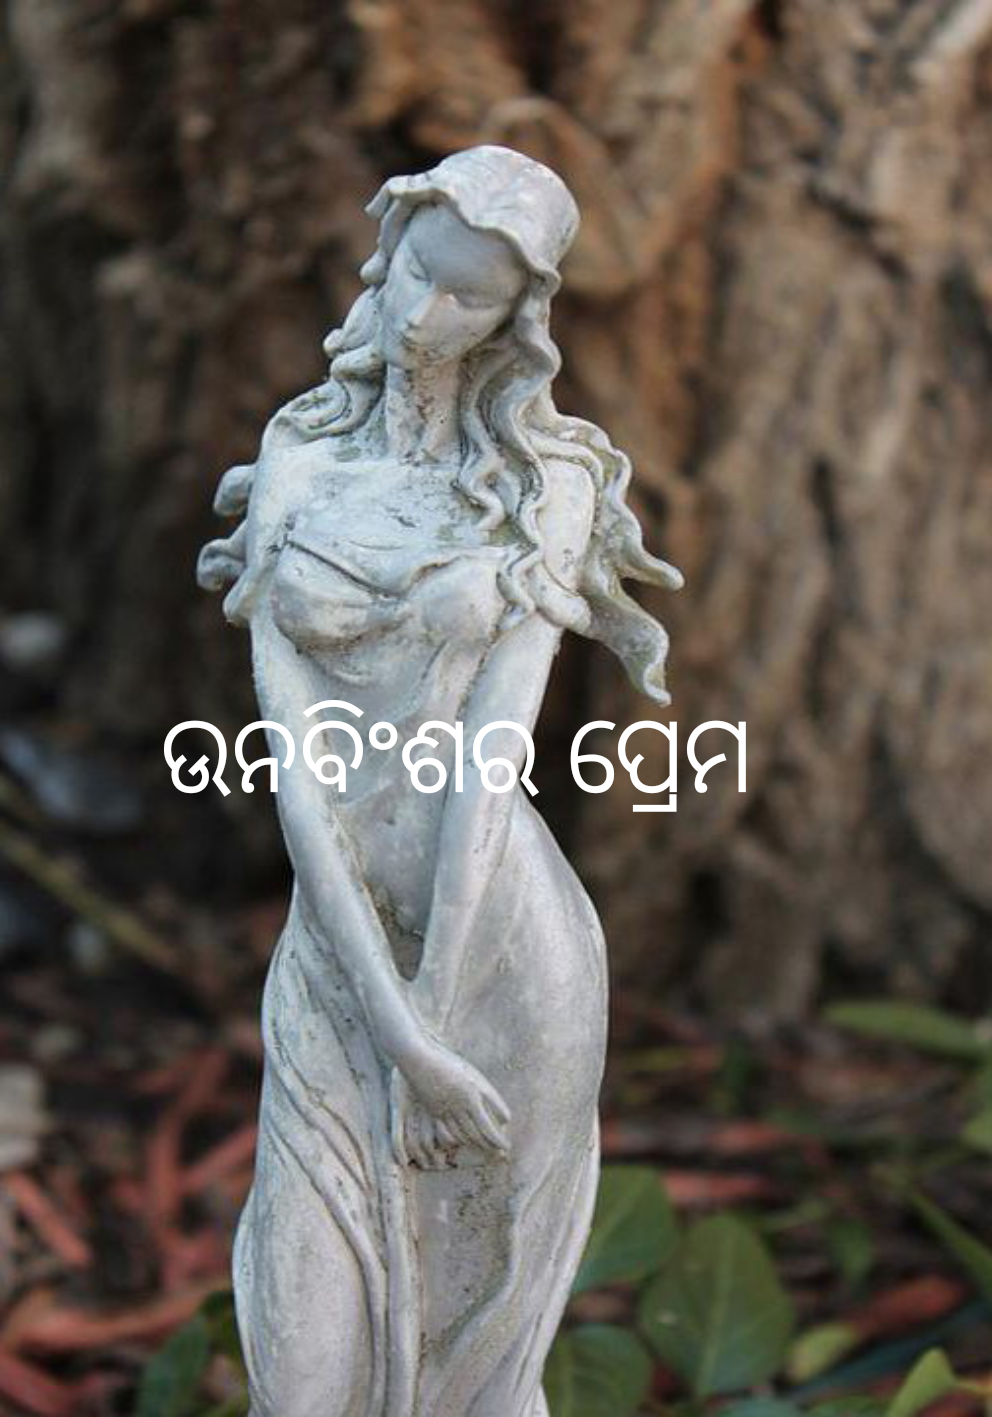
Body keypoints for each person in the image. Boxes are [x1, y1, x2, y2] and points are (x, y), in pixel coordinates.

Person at [198, 144, 681, 1417]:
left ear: (518, 319)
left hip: (502, 957)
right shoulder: (299, 455)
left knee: (478, 1371)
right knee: (303, 1375)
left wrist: (439, 1000)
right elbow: (298, 771)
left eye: (469, 297)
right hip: (340, 948)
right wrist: (400, 1030)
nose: (425, 315)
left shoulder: (546, 482)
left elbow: (488, 754)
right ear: (385, 255)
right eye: (417, 273)